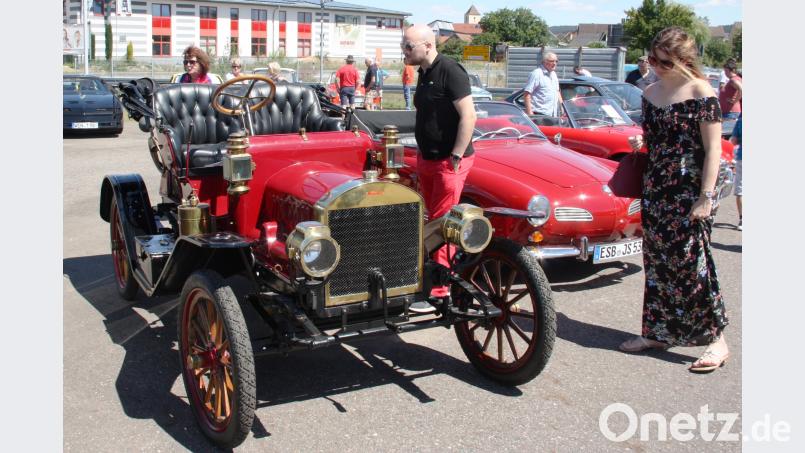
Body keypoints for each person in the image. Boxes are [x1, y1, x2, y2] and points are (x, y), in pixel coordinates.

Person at [619, 27, 729, 373]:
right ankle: (657, 332)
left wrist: (705, 197)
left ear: (683, 60)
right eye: (652, 59)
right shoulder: (649, 92)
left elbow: (713, 151)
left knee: (693, 264)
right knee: (658, 264)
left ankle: (716, 339)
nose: (656, 66)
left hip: (689, 190)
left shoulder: (701, 92)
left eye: (663, 61)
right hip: (657, 188)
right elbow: (655, 139)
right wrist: (642, 144)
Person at [402, 24, 476, 312]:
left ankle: (441, 288)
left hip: (449, 161)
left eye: (409, 46)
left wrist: (456, 155)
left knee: (445, 222)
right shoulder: (423, 72)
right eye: (404, 45)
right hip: (429, 159)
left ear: (428, 46)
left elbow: (468, 116)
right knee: (433, 220)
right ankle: (430, 274)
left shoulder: (451, 71)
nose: (404, 51)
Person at [523, 52, 562, 116]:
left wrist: (562, 109)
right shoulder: (537, 74)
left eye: (556, 61)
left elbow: (557, 92)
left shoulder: (553, 74)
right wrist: (530, 113)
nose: (554, 63)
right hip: (539, 114)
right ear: (544, 62)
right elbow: (527, 94)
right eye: (552, 61)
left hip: (552, 114)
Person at [730, 113, 742, 230]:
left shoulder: (741, 121)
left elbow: (733, 140)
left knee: (740, 189)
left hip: (742, 157)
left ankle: (742, 219)